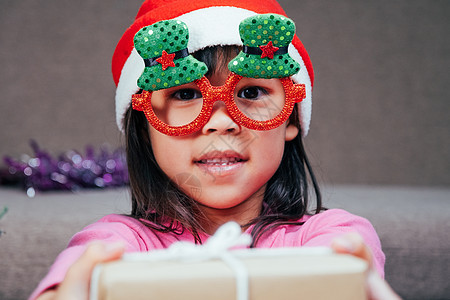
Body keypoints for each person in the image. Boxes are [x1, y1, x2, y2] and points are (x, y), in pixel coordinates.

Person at [31, 0, 400, 299]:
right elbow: (74, 278)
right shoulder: (115, 244)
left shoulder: (333, 236)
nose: (221, 122)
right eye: (186, 94)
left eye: (251, 92)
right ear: (145, 129)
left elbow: (343, 275)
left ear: (291, 120)